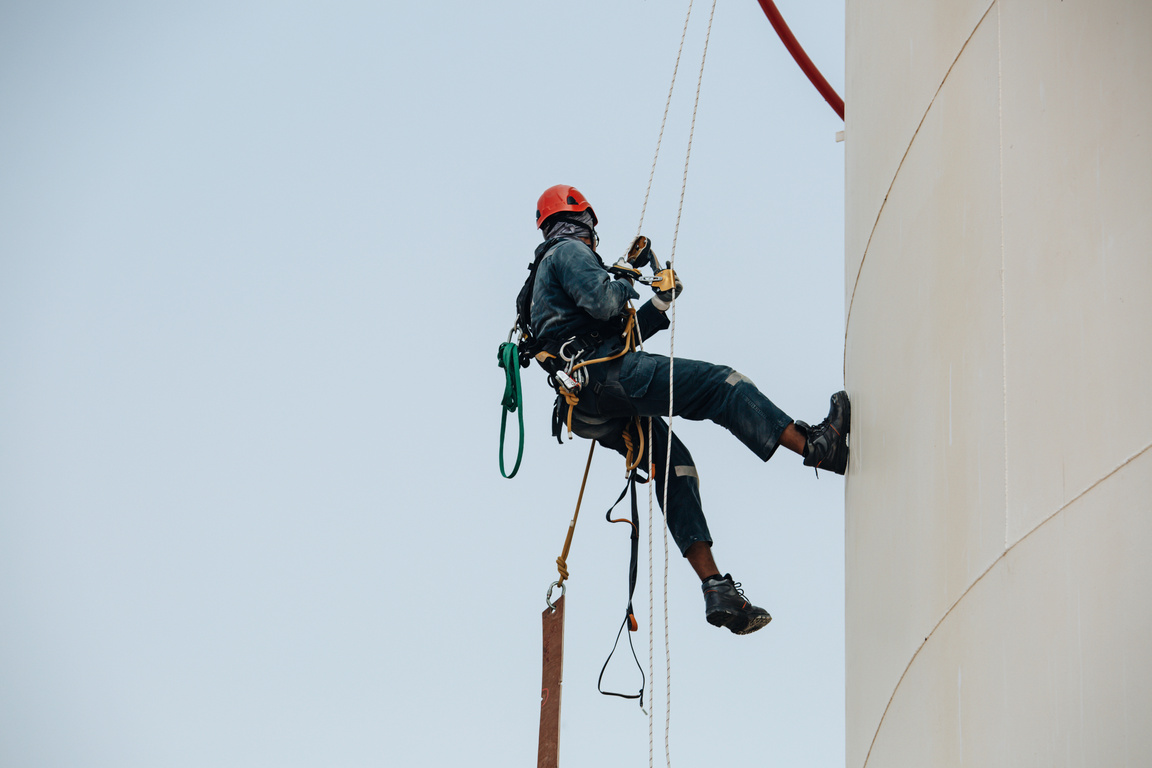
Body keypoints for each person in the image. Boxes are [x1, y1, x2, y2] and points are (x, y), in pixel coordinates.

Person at [521, 184, 849, 635]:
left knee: (675, 465)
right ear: (581, 221)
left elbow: (614, 340)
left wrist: (659, 302)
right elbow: (604, 303)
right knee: (721, 385)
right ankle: (815, 446)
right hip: (605, 381)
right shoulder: (566, 252)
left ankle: (716, 587)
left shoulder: (544, 282)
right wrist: (622, 279)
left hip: (589, 403)